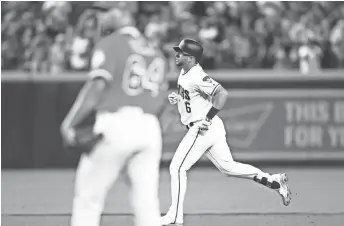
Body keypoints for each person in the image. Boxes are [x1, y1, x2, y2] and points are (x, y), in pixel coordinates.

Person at [161, 39, 292, 226]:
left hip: (203, 127)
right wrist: (180, 98)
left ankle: (174, 216)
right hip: (210, 127)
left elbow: (222, 94)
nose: (177, 55)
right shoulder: (185, 72)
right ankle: (275, 181)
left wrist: (207, 118)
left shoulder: (197, 75)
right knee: (228, 167)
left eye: (181, 53)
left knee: (177, 168)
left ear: (191, 58)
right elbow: (193, 95)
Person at [60, 5, 167, 226]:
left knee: (88, 200)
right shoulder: (153, 50)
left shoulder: (112, 43)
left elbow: (97, 86)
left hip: (117, 124)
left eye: (106, 11)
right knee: (147, 205)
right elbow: (162, 98)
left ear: (123, 12)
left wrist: (70, 122)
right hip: (149, 128)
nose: (101, 16)